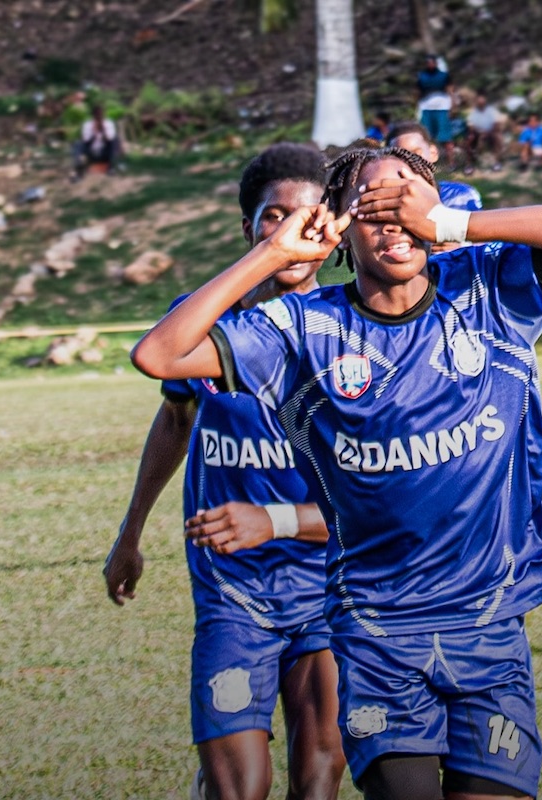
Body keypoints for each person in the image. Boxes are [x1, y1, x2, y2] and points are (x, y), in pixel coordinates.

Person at [129, 143, 542, 800]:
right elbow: (160, 355)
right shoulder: (302, 327)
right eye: (373, 207)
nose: (395, 222)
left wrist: (453, 224)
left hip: (490, 629)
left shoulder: (488, 292)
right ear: (340, 229)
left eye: (408, 202)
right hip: (376, 638)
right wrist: (275, 252)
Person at [104, 142, 346, 800]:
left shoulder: (354, 328)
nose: (292, 231)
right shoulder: (203, 324)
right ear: (249, 229)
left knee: (319, 776)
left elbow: (380, 499)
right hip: (232, 596)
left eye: (308, 215)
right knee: (236, 788)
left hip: (327, 587)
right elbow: (176, 418)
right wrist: (130, 533)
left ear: (332, 225)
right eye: (273, 218)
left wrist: (273, 522)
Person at [386, 121, 482, 213]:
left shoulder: (461, 196)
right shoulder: (390, 205)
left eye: (416, 153)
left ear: (433, 153)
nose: (410, 161)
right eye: (400, 157)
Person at [415, 54, 456, 164]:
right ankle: (429, 163)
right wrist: (417, 107)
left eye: (432, 62)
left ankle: (451, 162)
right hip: (426, 108)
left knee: (446, 136)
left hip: (442, 108)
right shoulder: (422, 76)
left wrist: (453, 105)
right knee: (427, 136)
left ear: (436, 63)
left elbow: (450, 90)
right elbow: (417, 93)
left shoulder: (444, 75)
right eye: (428, 62)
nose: (430, 64)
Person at [72, 104, 122, 180]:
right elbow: (85, 141)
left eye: (101, 114)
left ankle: (111, 168)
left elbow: (110, 140)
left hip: (105, 154)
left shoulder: (108, 123)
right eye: (97, 114)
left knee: (115, 140)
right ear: (93, 115)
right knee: (77, 143)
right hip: (91, 153)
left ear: (104, 114)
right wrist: (93, 133)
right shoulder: (87, 124)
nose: (99, 116)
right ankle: (79, 169)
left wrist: (103, 131)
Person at [464, 94, 504, 172]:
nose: (481, 104)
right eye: (479, 103)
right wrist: (480, 132)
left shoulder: (492, 111)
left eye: (482, 102)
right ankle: (469, 164)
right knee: (469, 139)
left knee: (498, 137)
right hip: (478, 132)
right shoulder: (473, 112)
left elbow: (496, 124)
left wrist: (488, 132)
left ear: (485, 102)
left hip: (491, 132)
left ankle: (497, 162)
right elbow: (471, 126)